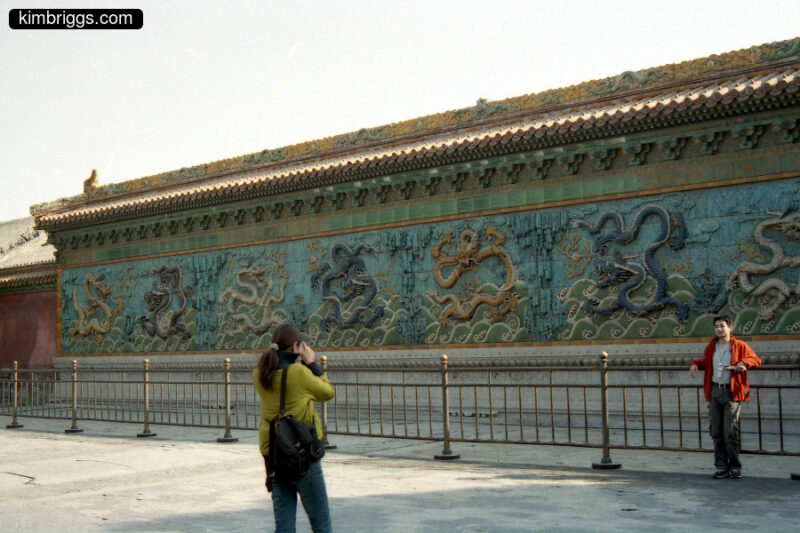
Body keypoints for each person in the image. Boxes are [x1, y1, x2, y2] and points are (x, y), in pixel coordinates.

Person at [252, 323, 334, 533]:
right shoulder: (299, 373)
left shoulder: (259, 375)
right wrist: (312, 363)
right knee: (321, 524)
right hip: (302, 456)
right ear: (295, 347)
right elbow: (327, 392)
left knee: (284, 527)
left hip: (275, 457)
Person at [690, 315, 761, 479]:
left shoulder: (739, 346)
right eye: (716, 327)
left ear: (730, 327)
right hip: (715, 391)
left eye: (722, 326)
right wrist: (695, 364)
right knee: (716, 431)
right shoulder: (711, 347)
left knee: (730, 431)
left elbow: (755, 359)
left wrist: (744, 364)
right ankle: (721, 466)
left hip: (732, 392)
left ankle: (735, 466)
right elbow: (707, 362)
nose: (719, 329)